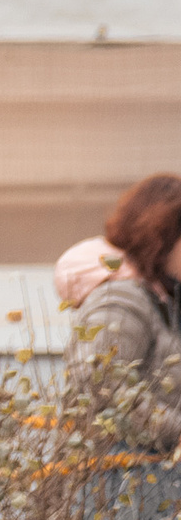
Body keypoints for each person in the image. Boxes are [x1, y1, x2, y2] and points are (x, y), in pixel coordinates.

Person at [67, 177, 181, 453]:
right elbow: (101, 393)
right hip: (117, 486)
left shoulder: (163, 299)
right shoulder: (120, 300)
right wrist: (176, 433)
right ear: (162, 237)